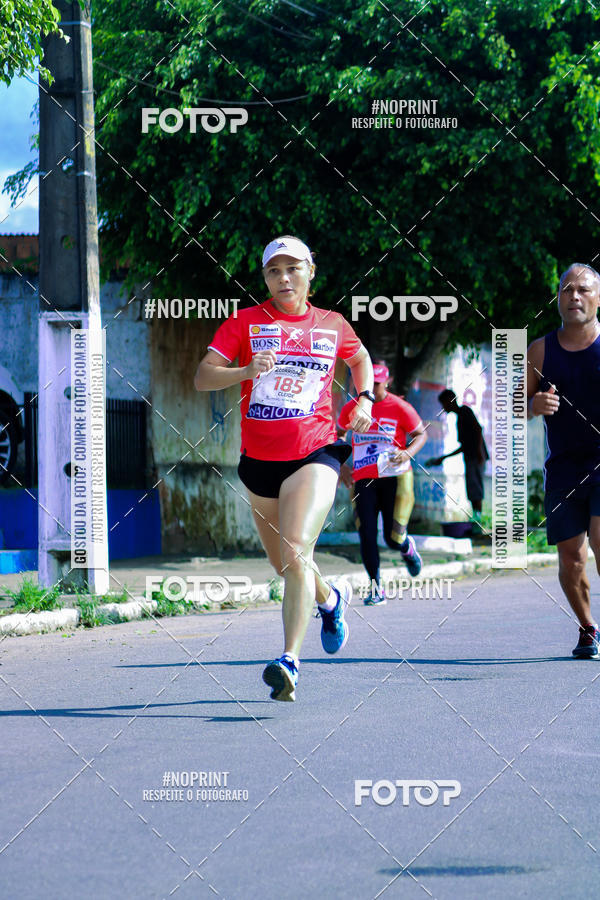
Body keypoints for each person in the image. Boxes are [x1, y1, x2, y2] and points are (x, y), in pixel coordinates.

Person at [194, 235, 374, 700]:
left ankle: (289, 660)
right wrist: (246, 372)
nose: (284, 278)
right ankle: (331, 601)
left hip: (316, 452)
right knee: (284, 564)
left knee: (295, 549)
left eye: (293, 268)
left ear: (311, 272)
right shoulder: (245, 322)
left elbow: (359, 358)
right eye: (274, 271)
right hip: (259, 463)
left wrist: (365, 397)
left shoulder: (332, 324)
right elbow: (202, 376)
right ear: (266, 278)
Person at [527, 262, 600, 659]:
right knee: (571, 558)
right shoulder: (541, 349)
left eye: (584, 290)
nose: (575, 296)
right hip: (563, 469)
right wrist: (534, 404)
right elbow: (516, 404)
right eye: (567, 290)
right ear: (558, 299)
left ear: (598, 299)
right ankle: (588, 627)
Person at [338, 361, 427, 605]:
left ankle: (407, 547)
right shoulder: (353, 407)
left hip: (395, 478)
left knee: (391, 538)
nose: (373, 388)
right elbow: (337, 435)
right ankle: (376, 588)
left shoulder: (399, 407)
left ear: (387, 381)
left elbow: (421, 434)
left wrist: (408, 453)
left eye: (377, 383)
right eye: (369, 383)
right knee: (366, 533)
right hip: (363, 479)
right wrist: (341, 465)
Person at [427, 389, 488, 527]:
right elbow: (464, 446)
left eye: (444, 403)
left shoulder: (465, 412)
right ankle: (476, 520)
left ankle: (478, 522)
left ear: (450, 401)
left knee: (475, 488)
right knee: (472, 489)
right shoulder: (459, 418)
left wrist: (479, 452)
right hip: (471, 456)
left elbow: (478, 429)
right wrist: (443, 458)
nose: (443, 407)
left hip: (475, 457)